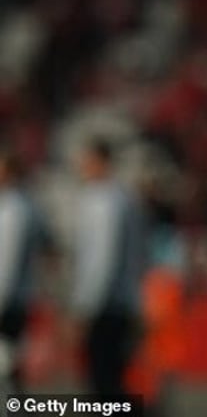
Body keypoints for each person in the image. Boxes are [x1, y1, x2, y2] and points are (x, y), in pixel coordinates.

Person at [69, 138, 145, 395]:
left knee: (103, 380)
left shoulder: (105, 203)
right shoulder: (121, 199)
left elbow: (102, 260)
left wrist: (86, 306)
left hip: (106, 305)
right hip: (119, 302)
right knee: (110, 378)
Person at [0, 149, 43, 394]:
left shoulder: (13, 210)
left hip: (9, 303)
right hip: (13, 300)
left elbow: (7, 263)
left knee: (7, 369)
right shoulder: (20, 206)